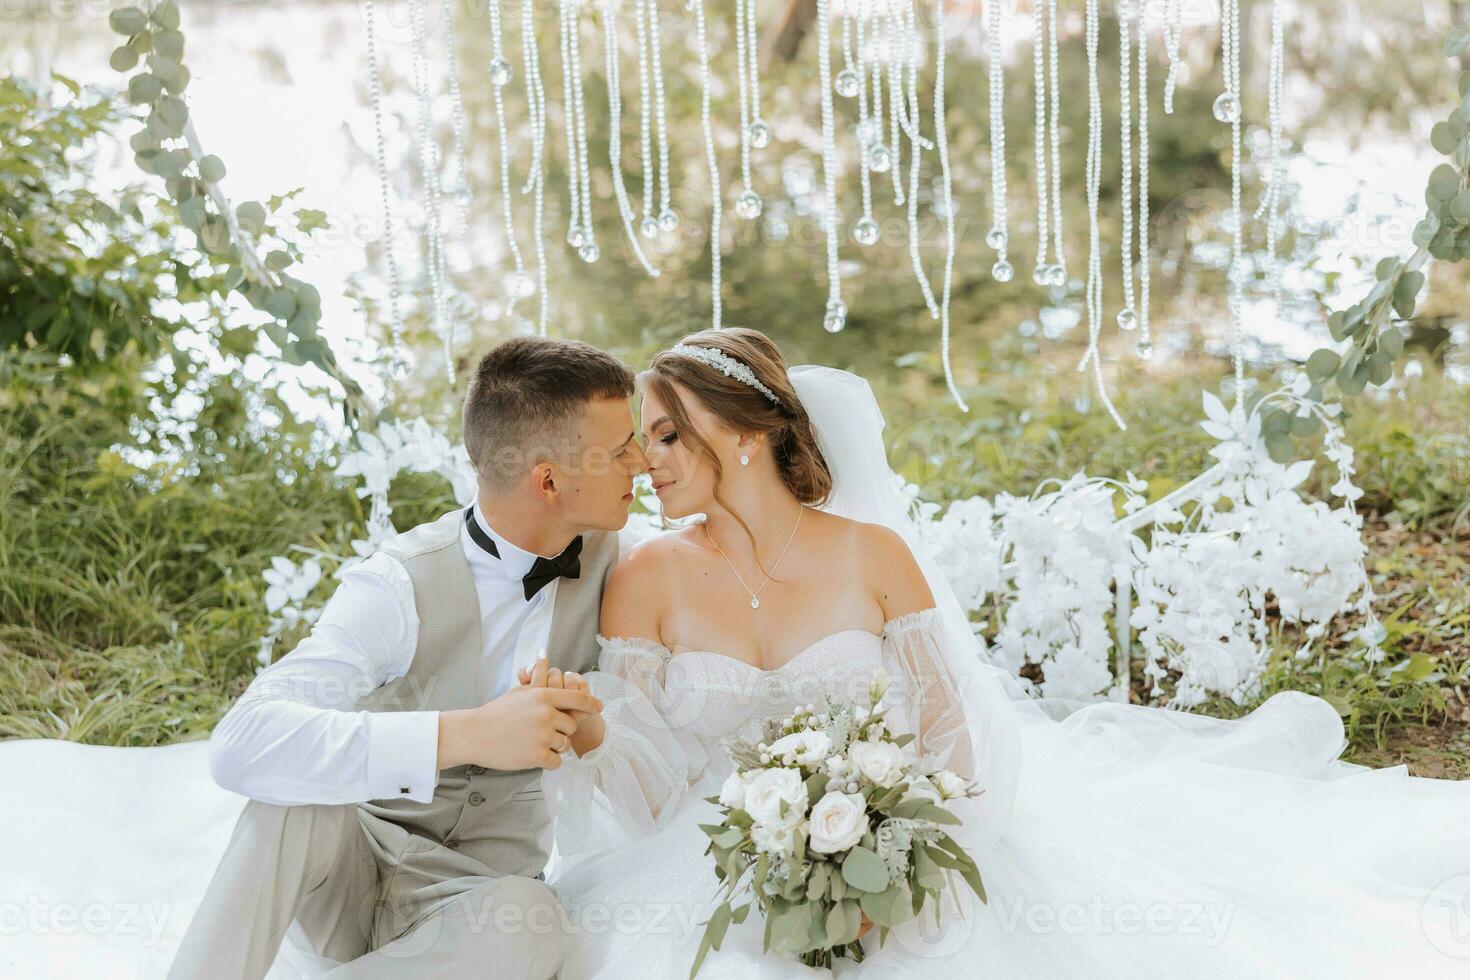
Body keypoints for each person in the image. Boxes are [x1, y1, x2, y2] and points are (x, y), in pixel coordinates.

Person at [521, 327, 1470, 979]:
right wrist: (595, 732)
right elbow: (647, 797)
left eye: (664, 433)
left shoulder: (873, 556)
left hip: (900, 845)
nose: (646, 461)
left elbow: (948, 734)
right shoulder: (644, 577)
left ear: (739, 427)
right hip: (711, 862)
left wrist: (891, 867)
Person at [169, 336, 649, 979]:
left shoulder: (628, 572)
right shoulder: (396, 583)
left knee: (535, 924)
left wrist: (592, 729)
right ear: (549, 480)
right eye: (621, 450)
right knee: (294, 797)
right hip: (347, 886)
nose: (641, 463)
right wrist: (463, 734)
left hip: (477, 911)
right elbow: (241, 743)